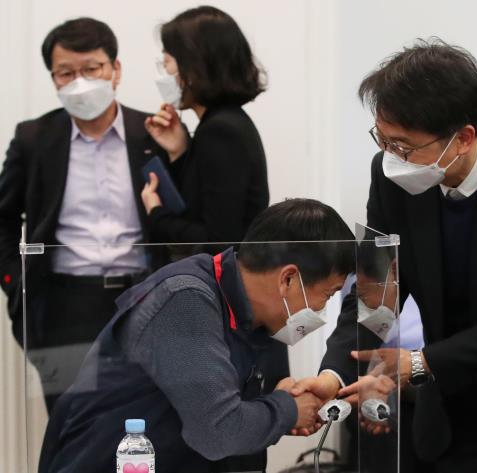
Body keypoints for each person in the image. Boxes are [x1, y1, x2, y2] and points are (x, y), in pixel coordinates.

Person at [287, 39, 477, 472]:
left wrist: (420, 361)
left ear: (463, 138)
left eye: (403, 146)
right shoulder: (390, 176)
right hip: (455, 403)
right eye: (382, 140)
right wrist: (333, 374)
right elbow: (377, 290)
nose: (391, 157)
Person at [38, 198, 355, 473]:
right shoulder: (185, 299)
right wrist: (288, 409)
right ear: (287, 279)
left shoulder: (256, 314)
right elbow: (218, 431)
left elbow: (244, 410)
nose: (321, 308)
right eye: (327, 295)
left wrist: (281, 405)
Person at [0, 17, 167, 411]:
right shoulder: (34, 138)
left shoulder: (154, 133)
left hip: (144, 298)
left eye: (91, 69)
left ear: (115, 70)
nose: (80, 82)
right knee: (71, 421)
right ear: (53, 78)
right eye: (66, 73)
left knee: (143, 419)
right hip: (64, 305)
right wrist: (15, 282)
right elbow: (3, 219)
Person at [141, 6, 269, 259]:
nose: (164, 73)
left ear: (193, 67)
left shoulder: (220, 130)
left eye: (167, 63)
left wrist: (157, 215)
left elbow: (218, 239)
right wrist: (180, 152)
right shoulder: (222, 122)